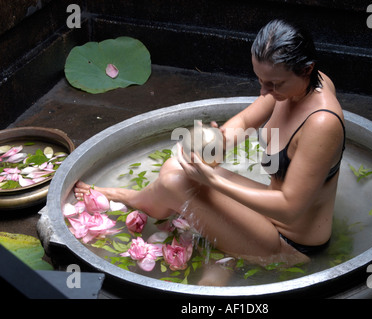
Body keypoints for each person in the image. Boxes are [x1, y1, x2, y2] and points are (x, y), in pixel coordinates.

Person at [74, 19, 345, 272]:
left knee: (175, 181)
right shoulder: (293, 86)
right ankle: (148, 202)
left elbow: (290, 207)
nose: (264, 92)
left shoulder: (322, 124)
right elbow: (247, 120)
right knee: (176, 169)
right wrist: (215, 143)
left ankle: (139, 201)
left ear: (307, 69)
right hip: (267, 216)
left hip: (291, 243)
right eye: (260, 80)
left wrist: (213, 180)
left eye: (273, 85)